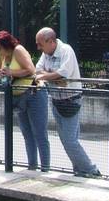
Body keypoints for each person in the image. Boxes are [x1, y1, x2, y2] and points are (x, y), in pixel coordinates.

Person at [33, 27, 102, 179]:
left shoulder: (66, 50)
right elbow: (37, 71)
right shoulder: (46, 54)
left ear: (50, 41)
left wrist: (48, 76)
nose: (38, 47)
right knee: (67, 140)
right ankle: (79, 171)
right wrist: (55, 78)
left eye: (40, 44)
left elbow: (63, 73)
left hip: (71, 100)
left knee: (69, 140)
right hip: (56, 101)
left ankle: (91, 170)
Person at [0, 30, 50, 171]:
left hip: (34, 94)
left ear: (6, 45)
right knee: (27, 133)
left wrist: (11, 72)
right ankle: (32, 166)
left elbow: (31, 70)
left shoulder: (18, 50)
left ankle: (45, 168)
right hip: (17, 97)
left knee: (39, 133)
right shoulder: (3, 54)